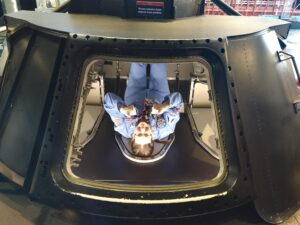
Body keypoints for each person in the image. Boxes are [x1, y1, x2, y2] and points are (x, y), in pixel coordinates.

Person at [104, 63, 183, 157]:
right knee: (159, 65)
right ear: (151, 137)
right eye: (146, 134)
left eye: (139, 134)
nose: (142, 129)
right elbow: (178, 99)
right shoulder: (166, 128)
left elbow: (107, 99)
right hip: (159, 94)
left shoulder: (123, 128)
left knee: (138, 63)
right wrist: (165, 106)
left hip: (134, 92)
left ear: (133, 137)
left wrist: (122, 109)